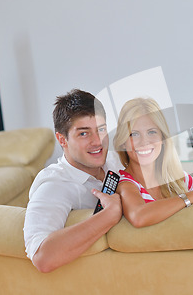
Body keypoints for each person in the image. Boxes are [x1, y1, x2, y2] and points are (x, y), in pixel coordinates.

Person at [23, 89, 123, 273]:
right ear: (62, 139)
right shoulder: (54, 185)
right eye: (84, 134)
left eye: (100, 130)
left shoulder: (116, 161)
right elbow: (42, 257)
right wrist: (109, 215)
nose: (97, 142)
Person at [113, 97, 193, 228]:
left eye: (151, 132)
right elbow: (138, 217)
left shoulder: (182, 180)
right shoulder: (123, 184)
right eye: (134, 134)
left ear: (162, 138)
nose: (144, 142)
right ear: (123, 142)